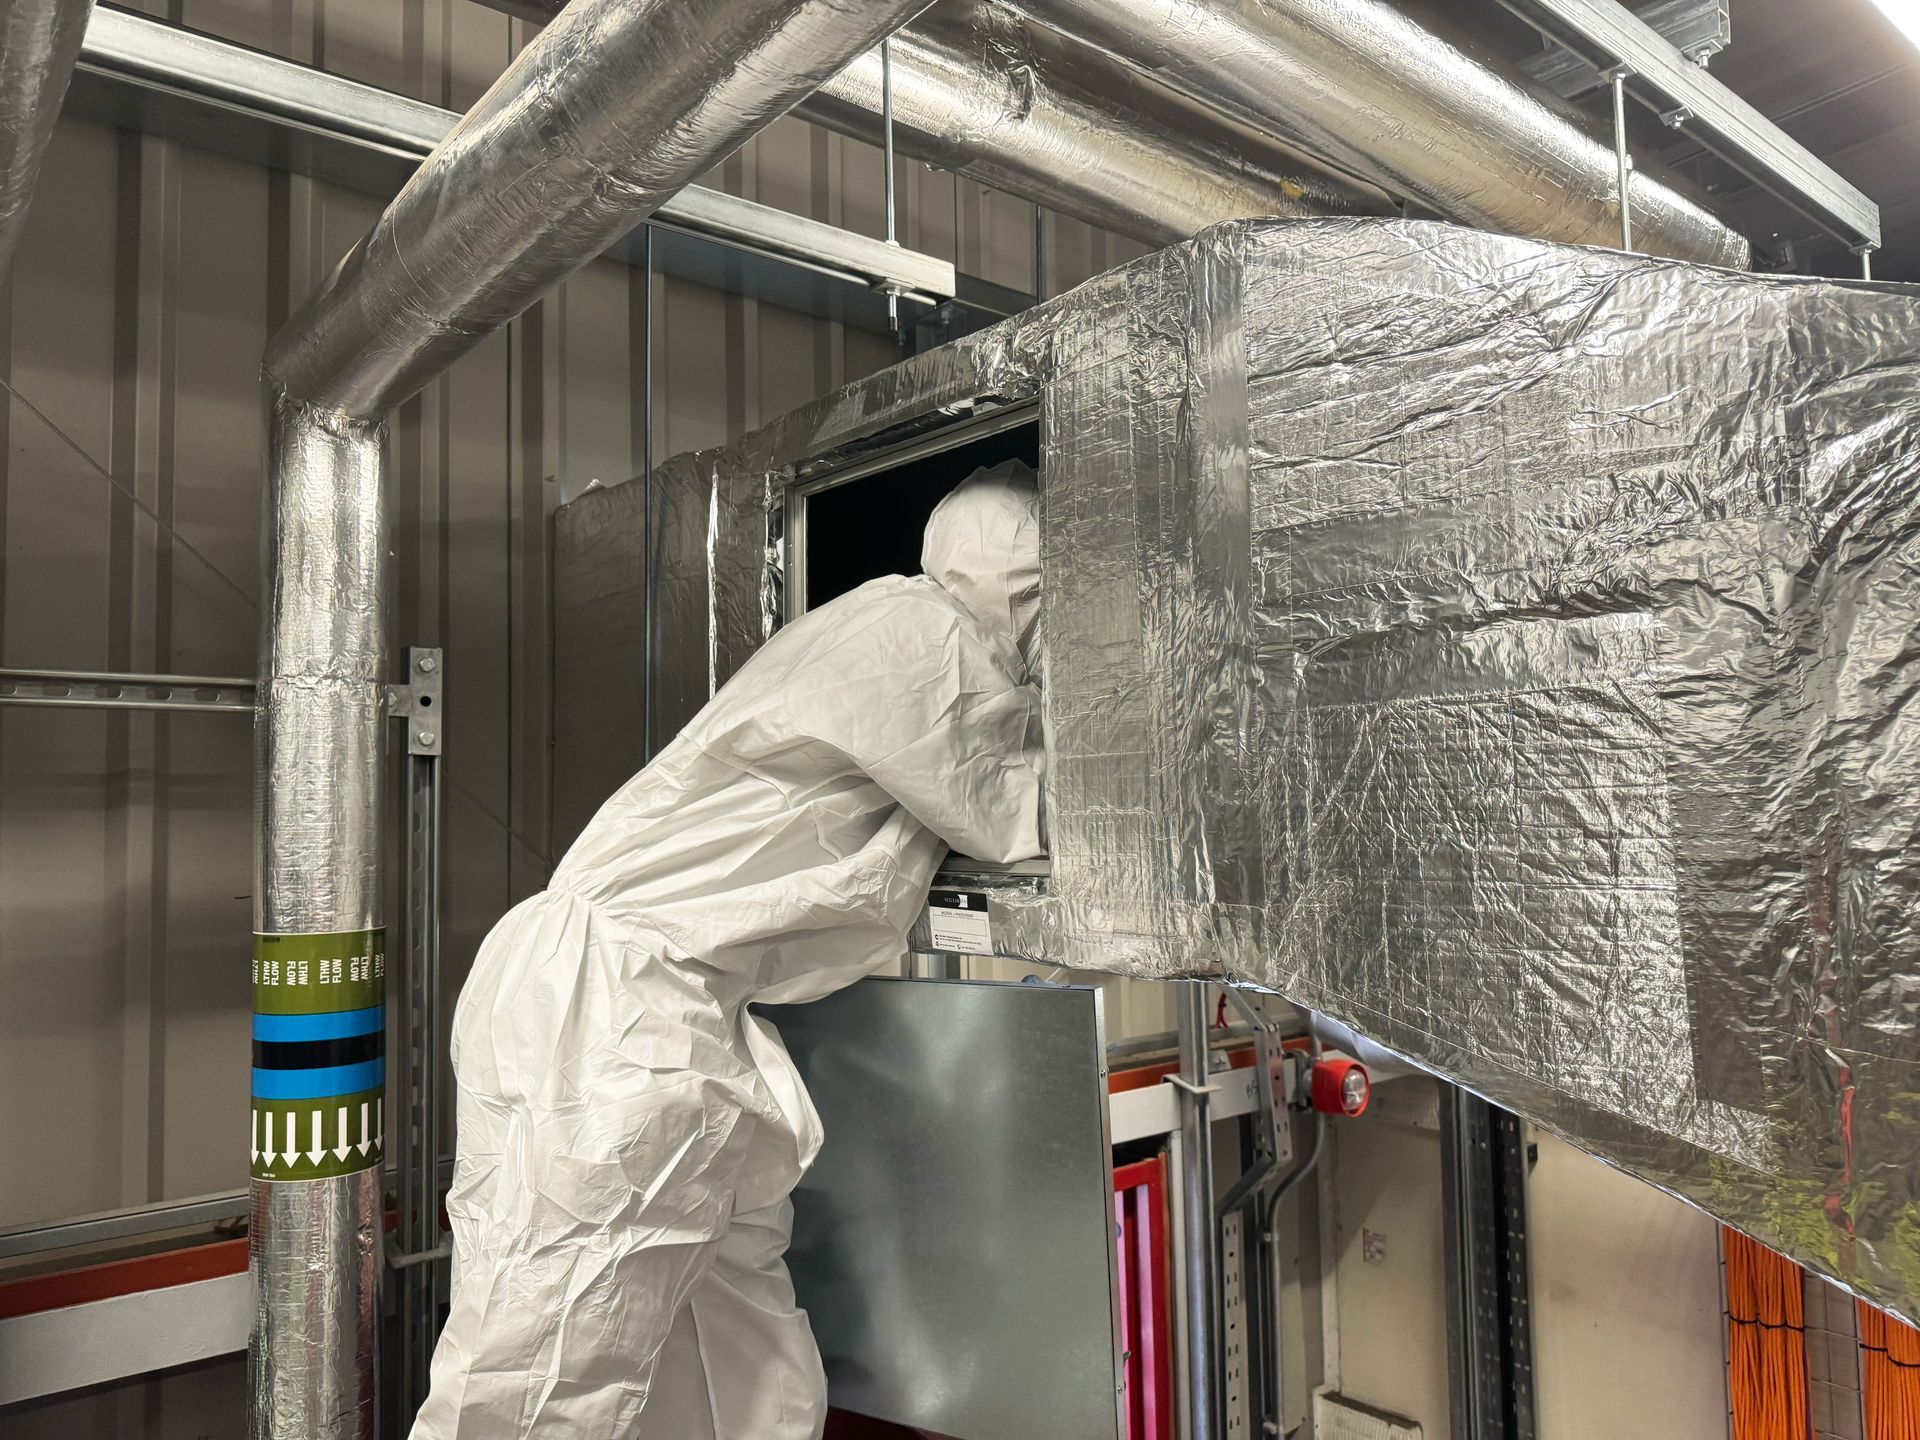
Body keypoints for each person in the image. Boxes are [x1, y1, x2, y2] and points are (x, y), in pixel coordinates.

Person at [412, 463, 1046, 1439]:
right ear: (1030, 577)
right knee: (542, 1378)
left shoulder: (887, 626)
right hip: (616, 1016)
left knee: (736, 1358)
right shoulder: (929, 646)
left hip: (665, 1011)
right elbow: (1027, 818)